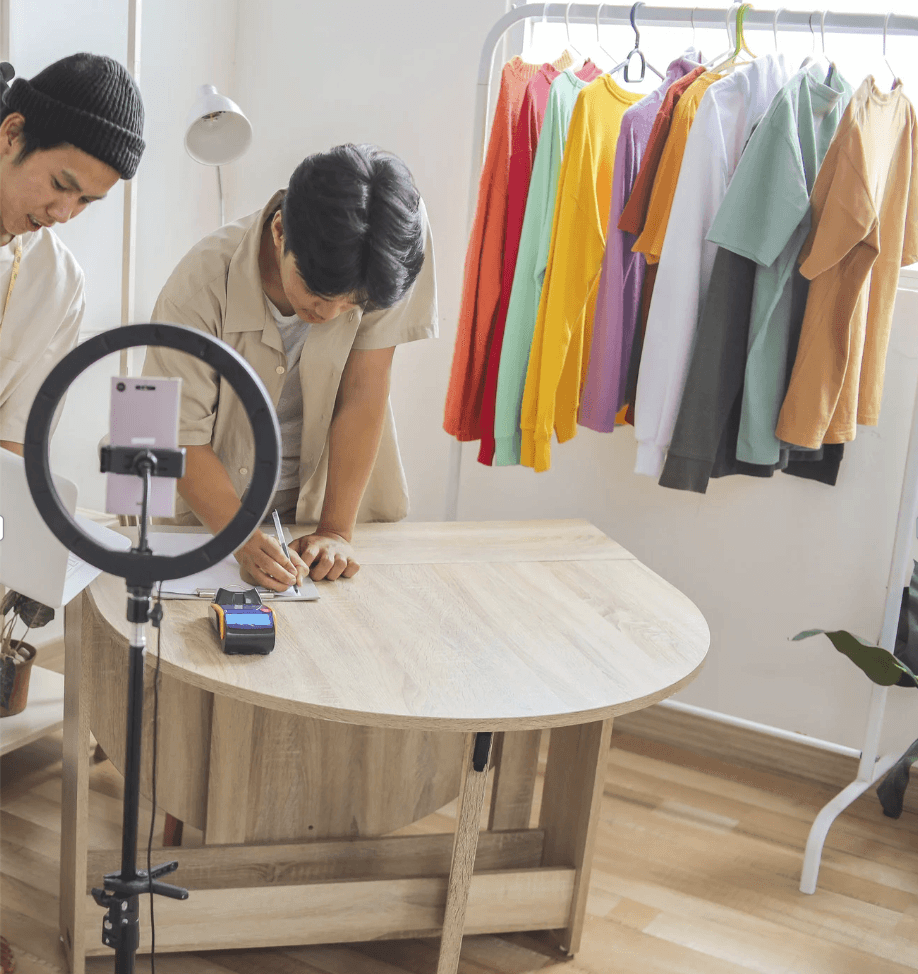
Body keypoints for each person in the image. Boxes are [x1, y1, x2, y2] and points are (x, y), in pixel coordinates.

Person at [144, 143, 437, 587]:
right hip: (210, 514)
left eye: (352, 304)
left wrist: (337, 530)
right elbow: (179, 439)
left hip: (318, 502)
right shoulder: (197, 291)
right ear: (280, 231)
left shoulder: (389, 250)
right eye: (318, 294)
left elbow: (365, 387)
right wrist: (240, 538)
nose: (332, 313)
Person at [0, 53, 145, 455]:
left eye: (85, 200)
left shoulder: (59, 283)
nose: (64, 214)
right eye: (59, 183)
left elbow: (15, 448)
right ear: (12, 135)